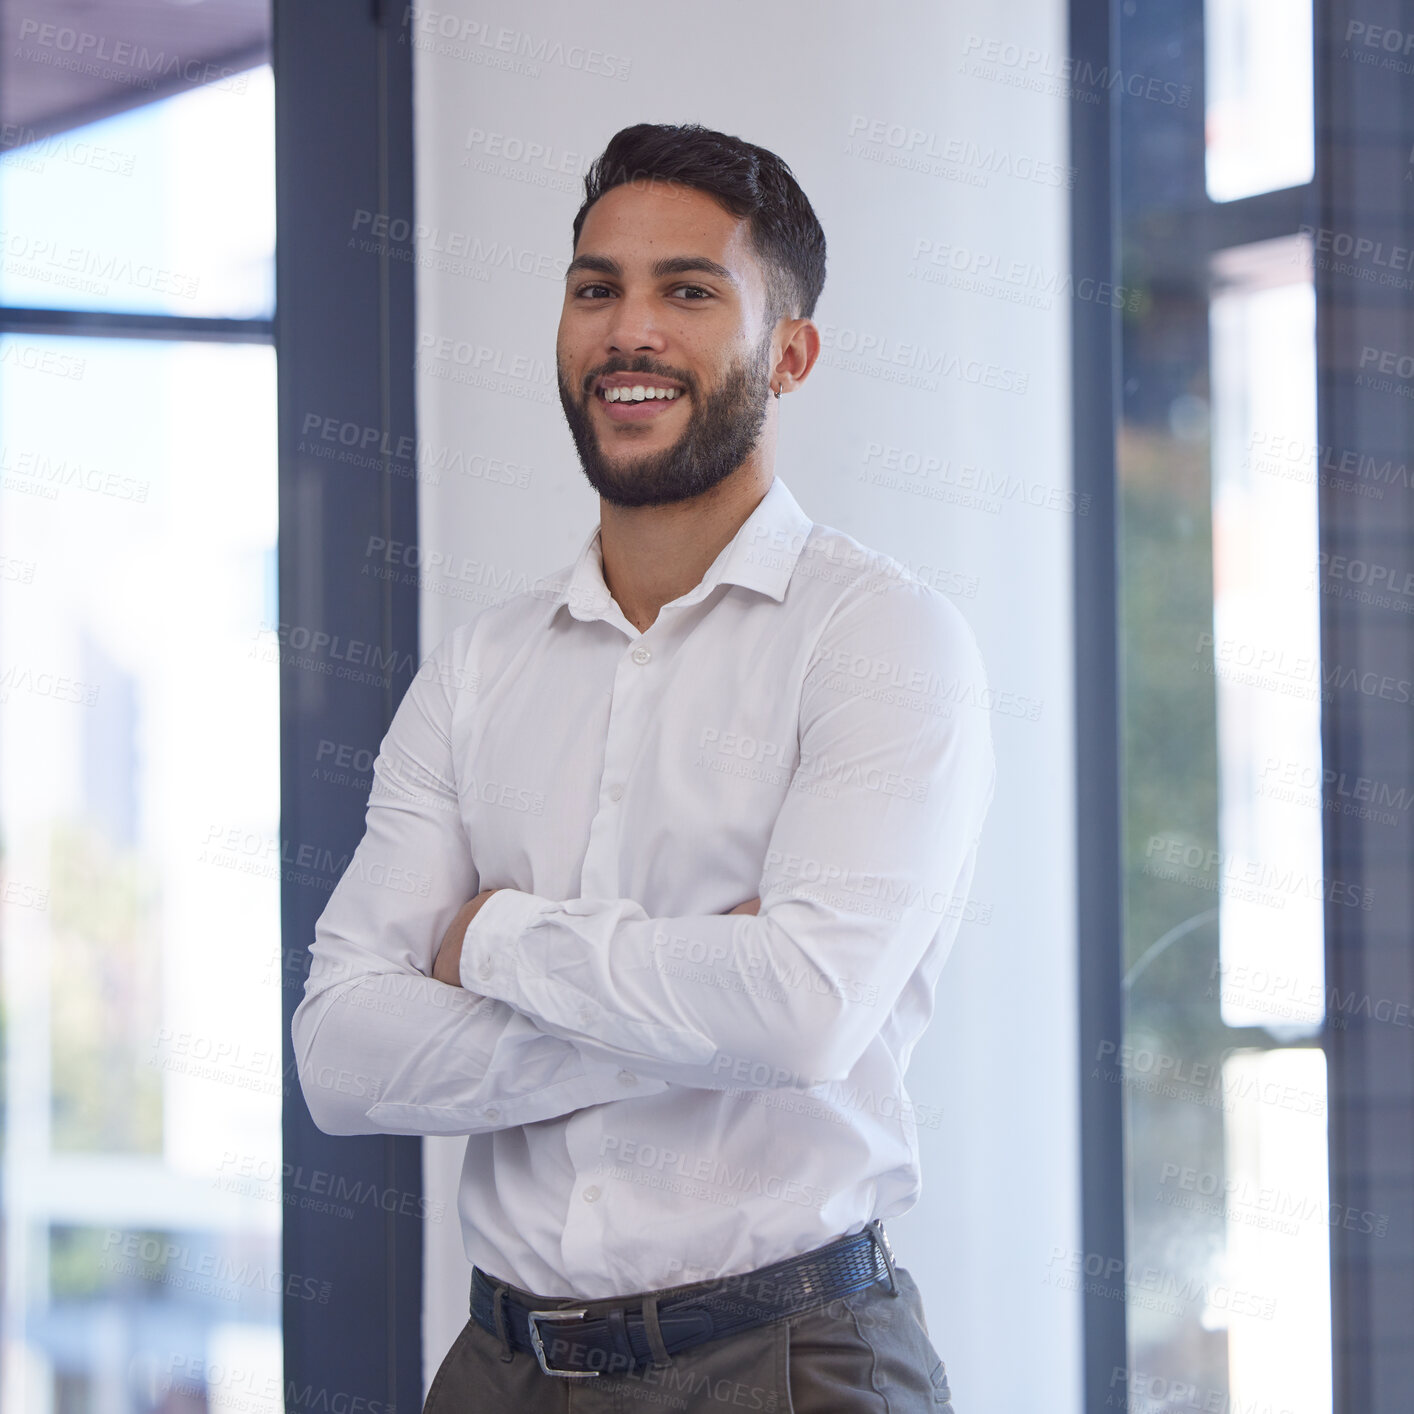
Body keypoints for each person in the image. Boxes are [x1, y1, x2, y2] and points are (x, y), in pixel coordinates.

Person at [293, 121, 995, 1412]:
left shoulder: (881, 641)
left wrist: (495, 938)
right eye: (594, 289)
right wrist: (697, 1006)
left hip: (791, 1363)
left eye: (687, 289)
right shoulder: (477, 669)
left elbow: (800, 1011)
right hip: (500, 1369)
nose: (630, 331)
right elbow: (339, 1053)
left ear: (790, 351)